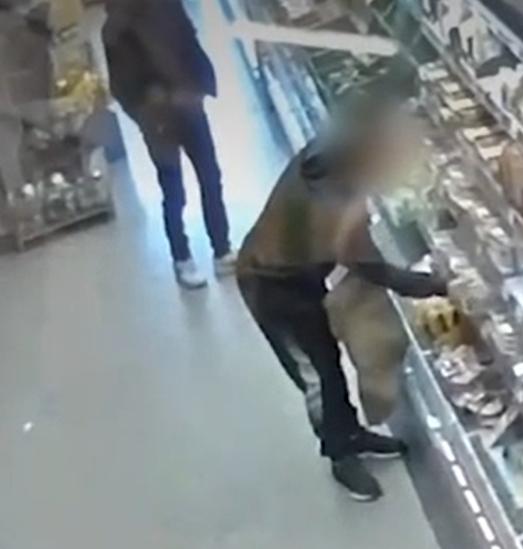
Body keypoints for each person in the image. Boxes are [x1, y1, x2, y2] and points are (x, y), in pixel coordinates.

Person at [236, 95, 447, 501]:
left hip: (296, 274)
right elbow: (376, 270)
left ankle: (350, 432)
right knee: (318, 375)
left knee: (327, 359)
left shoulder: (325, 157)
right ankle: (339, 456)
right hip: (269, 286)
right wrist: (441, 285)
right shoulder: (331, 203)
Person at [102, 0, 236, 288]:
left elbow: (188, 39)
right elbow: (123, 87)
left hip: (189, 105)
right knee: (174, 189)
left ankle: (222, 249)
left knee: (210, 177)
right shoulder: (115, 29)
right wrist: (149, 110)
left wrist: (199, 85)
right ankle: (182, 258)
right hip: (158, 121)